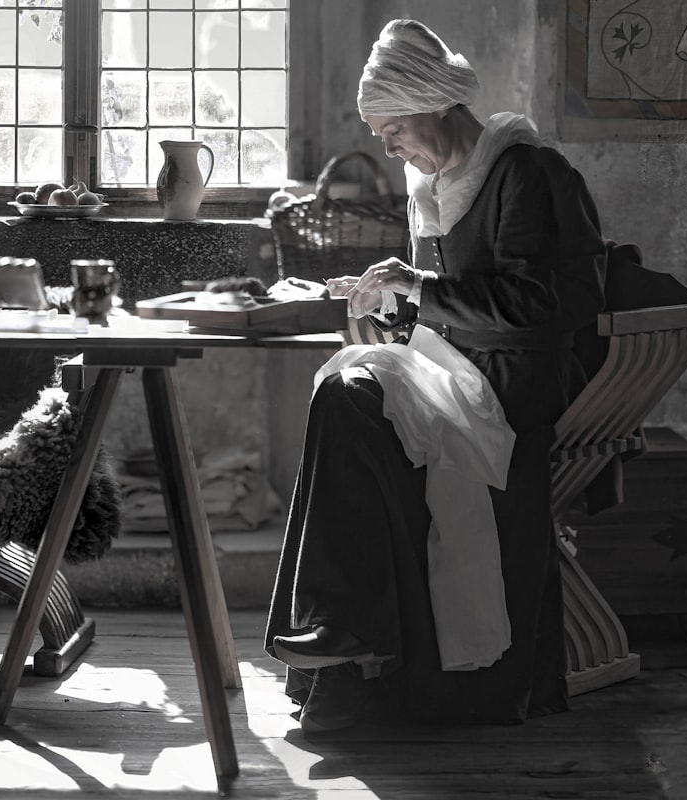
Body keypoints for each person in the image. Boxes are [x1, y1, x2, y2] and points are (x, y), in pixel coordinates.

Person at [264, 18, 607, 733]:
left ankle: (353, 667)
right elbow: (438, 309)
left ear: (431, 106)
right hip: (455, 373)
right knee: (343, 386)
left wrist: (416, 289)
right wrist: (384, 310)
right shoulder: (431, 184)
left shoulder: (530, 174)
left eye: (390, 128)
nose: (385, 145)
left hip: (520, 382)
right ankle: (339, 659)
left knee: (354, 406)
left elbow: (550, 306)